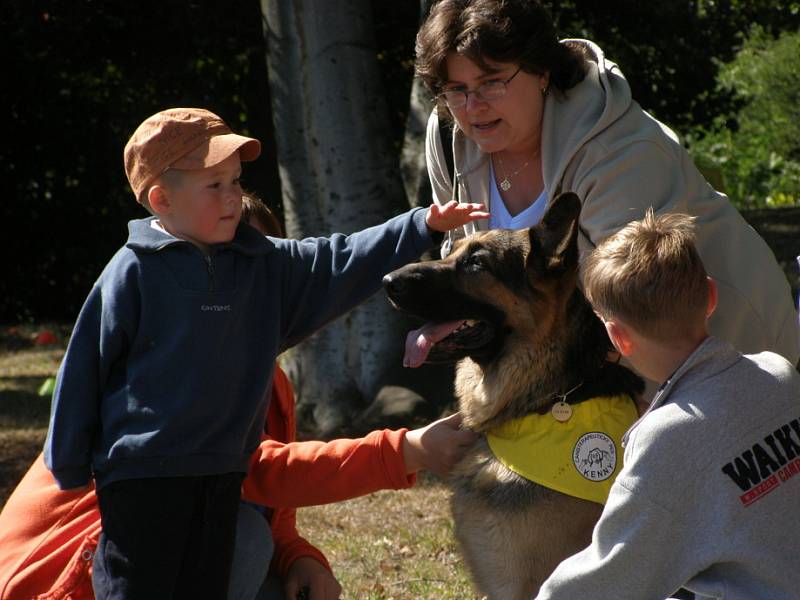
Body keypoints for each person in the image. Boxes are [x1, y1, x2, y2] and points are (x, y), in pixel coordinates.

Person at [41, 107, 488, 600]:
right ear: (161, 199)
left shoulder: (262, 264)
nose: (233, 195)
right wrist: (67, 460)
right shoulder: (133, 271)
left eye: (234, 180)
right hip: (143, 477)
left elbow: (337, 260)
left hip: (221, 473)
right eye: (214, 185)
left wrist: (418, 225)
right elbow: (85, 365)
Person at [413, 0, 799, 368]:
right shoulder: (448, 137)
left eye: (492, 82)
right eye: (455, 89)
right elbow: (461, 258)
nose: (471, 106)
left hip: (728, 360)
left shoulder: (622, 150)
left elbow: (641, 311)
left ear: (541, 71)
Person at [0, 366, 475, 600]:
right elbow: (260, 471)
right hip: (54, 584)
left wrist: (302, 560)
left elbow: (269, 509)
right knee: (241, 539)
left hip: (164, 565)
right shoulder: (170, 360)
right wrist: (406, 451)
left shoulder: (268, 376)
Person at [531, 210, 800, 599]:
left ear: (619, 338)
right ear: (710, 295)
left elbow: (610, 575)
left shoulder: (667, 438)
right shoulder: (779, 373)